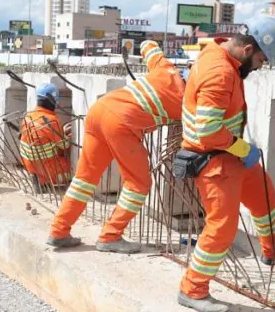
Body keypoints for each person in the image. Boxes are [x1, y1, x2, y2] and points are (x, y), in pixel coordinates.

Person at [177, 15, 275, 311]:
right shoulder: (219, 72)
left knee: (265, 197)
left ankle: (274, 251)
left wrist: (240, 151)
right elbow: (207, 129)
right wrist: (244, 149)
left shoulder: (222, 56)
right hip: (214, 160)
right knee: (222, 228)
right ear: (247, 50)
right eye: (260, 60)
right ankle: (192, 290)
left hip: (230, 154)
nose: (259, 67)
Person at [46, 40, 185, 254]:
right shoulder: (189, 100)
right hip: (122, 123)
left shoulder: (166, 68)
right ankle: (111, 236)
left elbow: (148, 45)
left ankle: (59, 231)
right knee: (138, 184)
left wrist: (144, 46)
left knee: (84, 179)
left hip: (99, 110)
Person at [19, 83, 72, 192]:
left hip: (28, 165)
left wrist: (59, 131)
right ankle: (44, 180)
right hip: (44, 168)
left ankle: (36, 176)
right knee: (70, 167)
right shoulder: (52, 120)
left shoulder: (28, 116)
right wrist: (66, 136)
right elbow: (64, 145)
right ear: (54, 101)